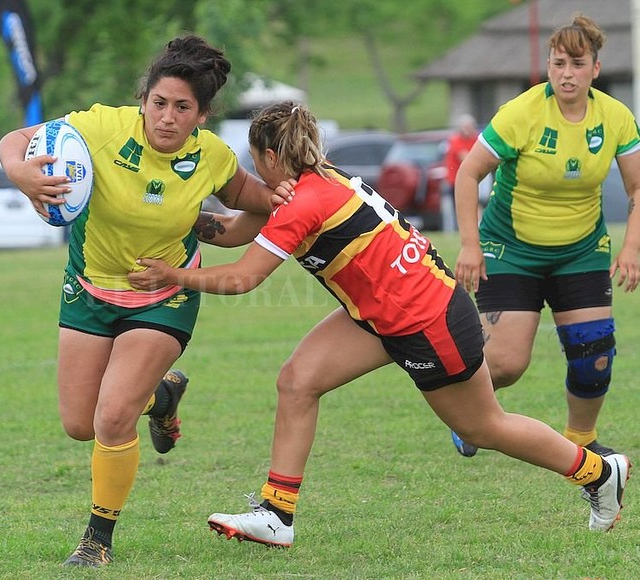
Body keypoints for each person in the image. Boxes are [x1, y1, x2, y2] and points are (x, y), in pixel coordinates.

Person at [128, 101, 631, 548]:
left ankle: (598, 473)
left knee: (484, 426)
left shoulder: (305, 201)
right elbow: (235, 230)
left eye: (253, 161)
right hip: (382, 313)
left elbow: (243, 278)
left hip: (426, 319)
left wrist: (171, 276)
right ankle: (277, 513)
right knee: (298, 381)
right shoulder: (310, 181)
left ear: (272, 158)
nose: (250, 171)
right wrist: (174, 210)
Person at [0, 35, 289, 568]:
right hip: (88, 286)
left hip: (162, 297)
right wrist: (20, 174)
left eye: (183, 108)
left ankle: (96, 541)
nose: (168, 118)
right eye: (159, 103)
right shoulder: (100, 126)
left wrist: (215, 232)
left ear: (201, 115)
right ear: (143, 99)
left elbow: (264, 207)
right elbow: (15, 139)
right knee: (79, 423)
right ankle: (163, 397)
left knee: (112, 417)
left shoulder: (212, 158)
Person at [450, 13, 640, 459]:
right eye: (558, 64)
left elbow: (637, 186)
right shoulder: (522, 112)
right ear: (549, 66)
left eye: (576, 64)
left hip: (581, 250)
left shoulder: (615, 117)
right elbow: (468, 173)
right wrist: (471, 245)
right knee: (507, 364)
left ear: (595, 68)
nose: (566, 74)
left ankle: (581, 442)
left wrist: (632, 247)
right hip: (510, 250)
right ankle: (468, 418)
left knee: (594, 356)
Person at [441, 114, 479, 232]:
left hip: (476, 178)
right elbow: (465, 158)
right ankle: (460, 229)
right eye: (465, 127)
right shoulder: (455, 141)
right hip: (456, 180)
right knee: (459, 206)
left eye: (469, 127)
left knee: (477, 204)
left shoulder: (476, 139)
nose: (467, 130)